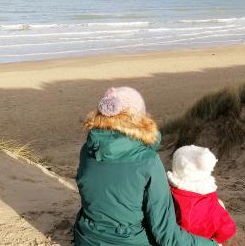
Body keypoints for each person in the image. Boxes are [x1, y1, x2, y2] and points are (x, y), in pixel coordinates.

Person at [74, 86, 218, 246]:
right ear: (139, 118)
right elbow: (167, 236)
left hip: (86, 238)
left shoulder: (88, 149)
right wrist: (211, 244)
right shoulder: (148, 161)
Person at [167, 145, 236, 244]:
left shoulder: (168, 194)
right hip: (203, 241)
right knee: (219, 205)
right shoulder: (210, 202)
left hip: (176, 240)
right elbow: (227, 230)